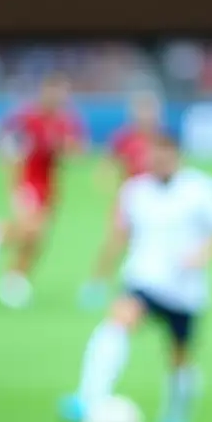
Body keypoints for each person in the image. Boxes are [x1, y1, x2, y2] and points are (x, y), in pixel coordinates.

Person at [59, 128, 212, 422]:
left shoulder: (200, 189)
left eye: (165, 156)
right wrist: (98, 278)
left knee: (180, 360)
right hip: (143, 279)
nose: (159, 162)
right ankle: (88, 397)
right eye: (154, 157)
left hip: (185, 292)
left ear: (177, 157)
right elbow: (119, 236)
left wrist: (203, 253)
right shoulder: (135, 190)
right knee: (118, 321)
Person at [0, 71, 86, 308]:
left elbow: (77, 150)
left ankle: (13, 280)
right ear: (45, 92)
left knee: (36, 240)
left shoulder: (64, 122)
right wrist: (6, 158)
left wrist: (65, 149)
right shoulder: (29, 117)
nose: (59, 97)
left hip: (49, 186)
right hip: (28, 182)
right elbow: (3, 133)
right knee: (33, 230)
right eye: (55, 91)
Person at [78, 90, 163, 310]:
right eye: (143, 111)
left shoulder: (161, 139)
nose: (147, 115)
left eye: (151, 110)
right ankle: (95, 285)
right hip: (131, 200)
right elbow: (108, 164)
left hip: (157, 201)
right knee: (115, 244)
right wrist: (106, 181)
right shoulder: (125, 138)